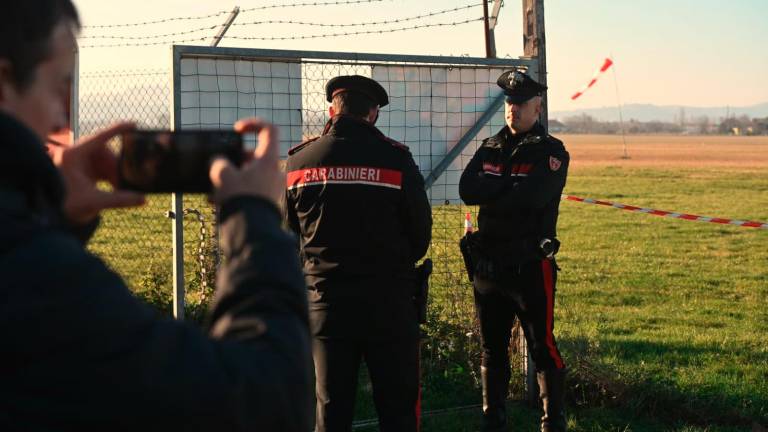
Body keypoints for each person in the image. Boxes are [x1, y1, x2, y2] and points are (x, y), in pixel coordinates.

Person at [0, 1, 311, 430]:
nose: (61, 118)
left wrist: (49, 215)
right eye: (58, 88)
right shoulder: (41, 279)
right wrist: (253, 220)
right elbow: (262, 400)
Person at [284, 75, 432, 432]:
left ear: (332, 111)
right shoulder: (396, 160)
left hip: (326, 303)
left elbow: (289, 236)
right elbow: (420, 235)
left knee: (331, 409)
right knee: (397, 409)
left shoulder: (299, 163)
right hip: (389, 303)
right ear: (373, 113)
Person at [459, 69, 570, 432]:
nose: (513, 109)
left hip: (529, 266)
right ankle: (493, 422)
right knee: (492, 348)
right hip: (489, 267)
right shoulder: (490, 146)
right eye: (509, 103)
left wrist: (494, 188)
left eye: (521, 103)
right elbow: (466, 190)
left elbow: (531, 199)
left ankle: (552, 423)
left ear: (538, 108)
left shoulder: (551, 151)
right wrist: (509, 188)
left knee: (542, 347)